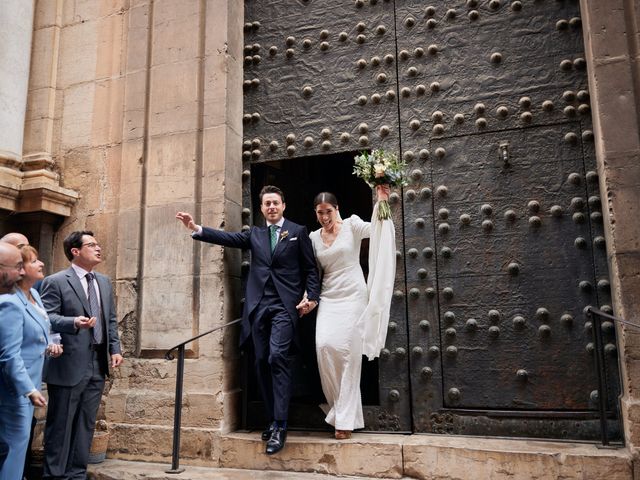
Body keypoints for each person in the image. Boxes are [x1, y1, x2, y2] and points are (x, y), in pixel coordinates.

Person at [176, 185, 320, 455]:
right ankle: (271, 417)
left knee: (278, 357)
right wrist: (197, 228)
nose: (271, 207)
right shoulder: (255, 234)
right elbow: (229, 238)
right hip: (258, 307)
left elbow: (311, 269)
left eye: (275, 202)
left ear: (283, 205)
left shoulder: (298, 232)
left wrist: (312, 296)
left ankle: (280, 424)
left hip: (285, 307)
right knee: (261, 362)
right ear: (262, 208)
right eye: (267, 204)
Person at [300, 186, 393, 439]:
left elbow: (377, 228)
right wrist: (309, 298)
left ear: (336, 209)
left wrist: (381, 201)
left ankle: (344, 421)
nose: (324, 217)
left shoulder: (352, 225)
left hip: (353, 296)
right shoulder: (312, 238)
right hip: (329, 297)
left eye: (328, 211)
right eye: (320, 213)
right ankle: (338, 407)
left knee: (349, 356)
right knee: (325, 347)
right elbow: (312, 273)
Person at [40, 231, 123, 479]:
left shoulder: (104, 282)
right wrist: (73, 322)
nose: (98, 248)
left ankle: (77, 474)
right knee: (61, 425)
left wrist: (115, 348)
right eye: (91, 245)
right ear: (75, 251)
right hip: (68, 364)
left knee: (86, 424)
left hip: (98, 363)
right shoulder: (56, 281)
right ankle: (55, 475)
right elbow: (46, 318)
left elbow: (110, 319)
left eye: (98, 244)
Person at [0, 243, 59, 480]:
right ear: (20, 270)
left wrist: (50, 345)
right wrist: (28, 390)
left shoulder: (34, 294)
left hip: (31, 384)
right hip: (15, 391)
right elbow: (9, 355)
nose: (40, 263)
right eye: (33, 261)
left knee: (18, 450)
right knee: (13, 452)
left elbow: (40, 330)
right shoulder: (10, 303)